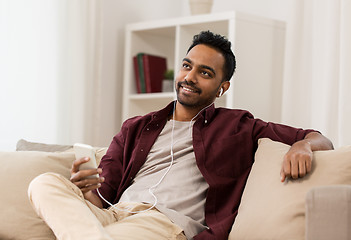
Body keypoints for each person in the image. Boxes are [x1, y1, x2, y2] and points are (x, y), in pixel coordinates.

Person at [28, 31, 333, 240]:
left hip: (162, 225)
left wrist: (304, 145)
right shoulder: (135, 127)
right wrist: (86, 188)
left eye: (205, 72)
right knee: (44, 183)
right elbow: (100, 201)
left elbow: (319, 138)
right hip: (112, 217)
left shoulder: (239, 126)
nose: (189, 77)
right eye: (187, 66)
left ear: (222, 87)